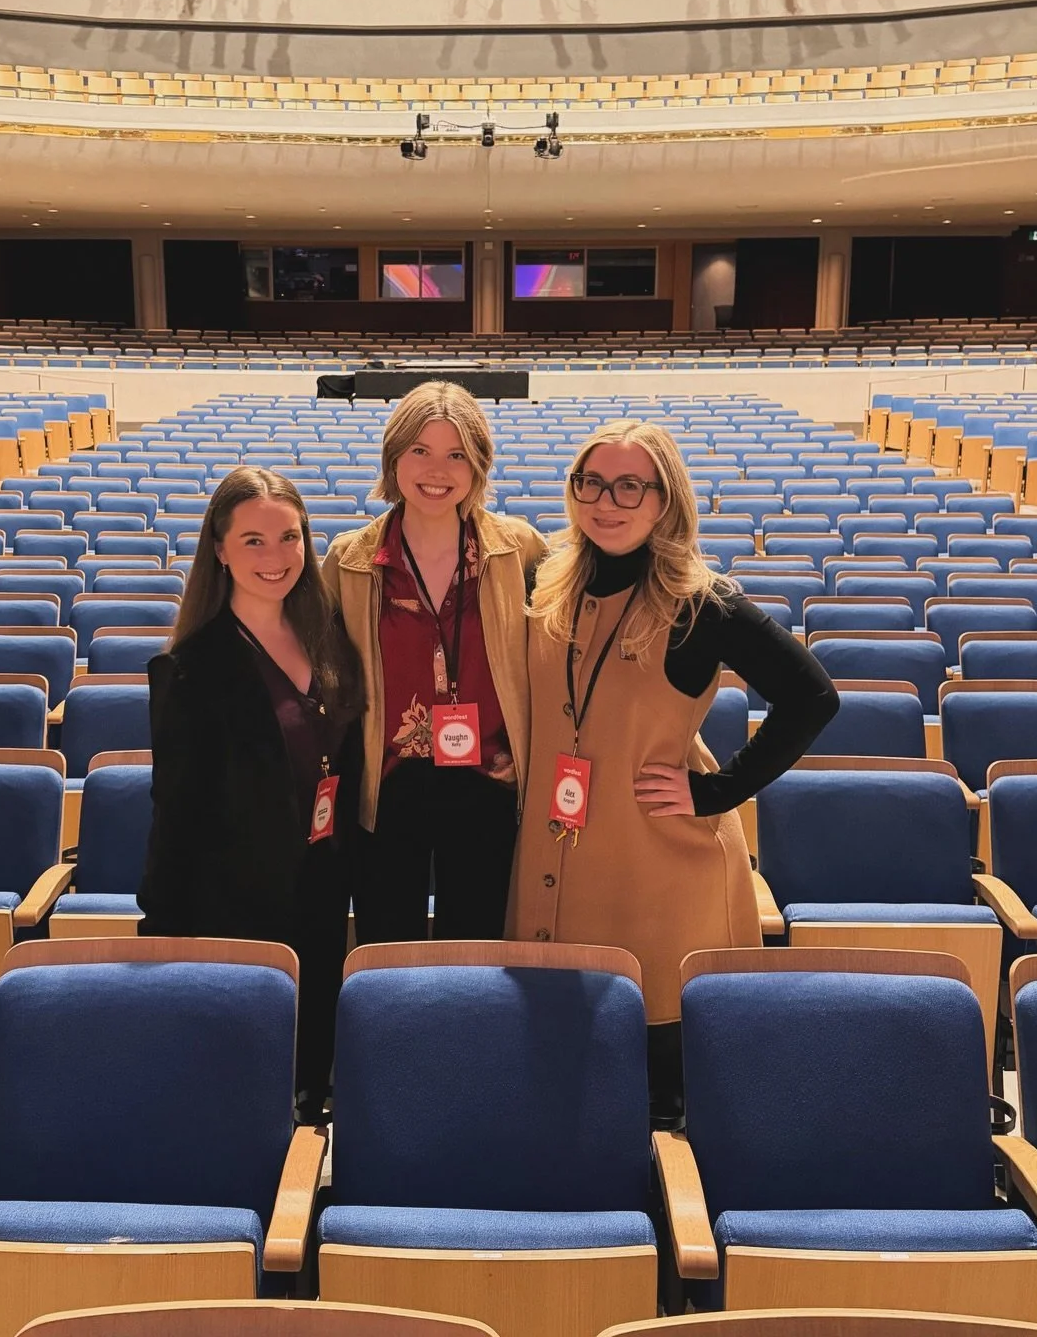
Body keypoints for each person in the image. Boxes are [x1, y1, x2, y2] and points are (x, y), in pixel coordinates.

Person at [510, 419, 839, 1121]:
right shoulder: (544, 584)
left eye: (630, 486)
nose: (607, 502)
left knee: (662, 1084)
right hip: (556, 851)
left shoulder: (701, 602)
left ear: (665, 500)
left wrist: (719, 789)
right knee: (564, 1071)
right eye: (592, 483)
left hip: (658, 864)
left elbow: (812, 696)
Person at [138, 466, 364, 1122]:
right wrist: (162, 933)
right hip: (234, 905)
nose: (276, 556)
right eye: (254, 541)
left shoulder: (331, 640)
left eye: (289, 537)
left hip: (321, 892)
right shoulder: (190, 670)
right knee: (241, 1086)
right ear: (219, 549)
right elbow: (174, 815)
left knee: (308, 1078)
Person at [322, 381, 548, 944]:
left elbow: (553, 666)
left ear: (478, 465)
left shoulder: (520, 550)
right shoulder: (348, 560)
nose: (437, 471)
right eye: (420, 450)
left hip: (487, 781)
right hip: (386, 785)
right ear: (394, 457)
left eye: (456, 455)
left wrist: (533, 759)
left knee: (476, 952)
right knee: (386, 950)